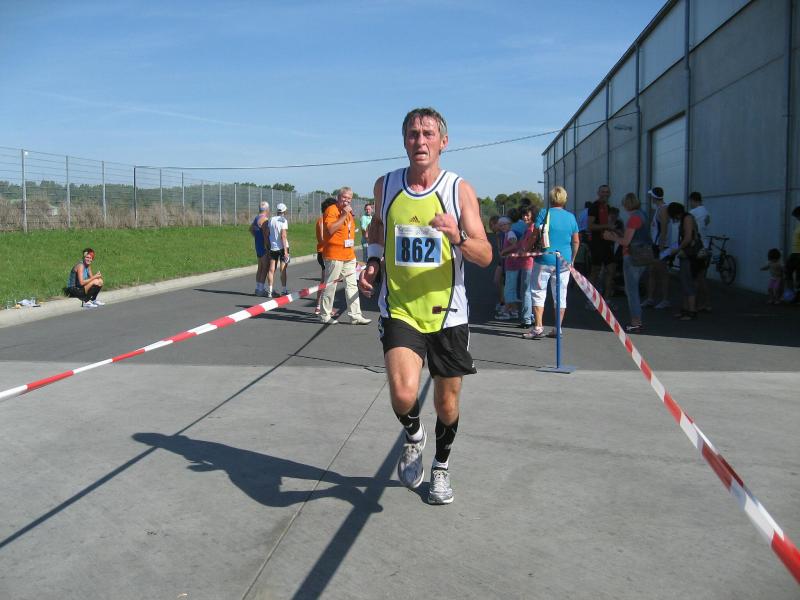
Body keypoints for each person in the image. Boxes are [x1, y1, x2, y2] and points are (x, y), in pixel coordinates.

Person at [358, 107, 492, 505]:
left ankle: (441, 467)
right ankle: (414, 435)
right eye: (413, 134)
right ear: (404, 141)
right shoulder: (385, 185)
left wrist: (457, 237)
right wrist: (373, 261)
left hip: (448, 315)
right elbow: (378, 230)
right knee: (403, 394)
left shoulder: (458, 190)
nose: (420, 141)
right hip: (400, 309)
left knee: (446, 404)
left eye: (428, 134)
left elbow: (485, 255)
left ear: (443, 142)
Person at [521, 186, 579, 339]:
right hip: (564, 261)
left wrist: (526, 249)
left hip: (544, 259)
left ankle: (538, 327)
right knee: (560, 295)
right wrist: (572, 259)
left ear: (551, 198)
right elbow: (575, 241)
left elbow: (535, 235)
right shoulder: (571, 217)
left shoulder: (544, 213)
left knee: (538, 292)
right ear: (565, 199)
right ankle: (557, 328)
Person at [319, 187, 371, 325]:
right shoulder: (332, 210)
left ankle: (355, 315)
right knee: (331, 285)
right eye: (344, 197)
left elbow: (349, 232)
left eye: (349, 198)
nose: (347, 200)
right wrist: (343, 215)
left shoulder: (349, 213)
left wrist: (352, 254)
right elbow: (330, 229)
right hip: (334, 254)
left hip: (348, 255)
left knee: (352, 285)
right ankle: (325, 314)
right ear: (338, 197)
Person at [603, 193, 651, 333]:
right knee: (634, 288)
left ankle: (636, 322)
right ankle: (636, 320)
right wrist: (618, 235)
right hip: (644, 254)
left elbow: (626, 242)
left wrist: (612, 238)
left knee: (631, 291)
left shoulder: (633, 218)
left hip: (632, 256)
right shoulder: (643, 215)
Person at [666, 202, 703, 320]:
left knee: (688, 282)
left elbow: (688, 238)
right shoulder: (685, 218)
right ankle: (685, 310)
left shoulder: (687, 218)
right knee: (684, 282)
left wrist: (677, 249)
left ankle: (691, 311)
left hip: (690, 254)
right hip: (687, 254)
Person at [587, 184, 618, 308]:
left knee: (611, 269)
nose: (605, 194)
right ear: (598, 193)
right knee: (595, 271)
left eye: (607, 192)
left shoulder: (608, 207)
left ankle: (607, 299)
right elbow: (590, 226)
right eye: (603, 192)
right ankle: (591, 300)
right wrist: (607, 226)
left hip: (607, 243)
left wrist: (614, 230)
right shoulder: (594, 207)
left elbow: (609, 224)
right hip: (597, 243)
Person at [641, 187, 671, 309]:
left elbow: (664, 229)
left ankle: (665, 299)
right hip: (655, 244)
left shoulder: (663, 209)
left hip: (660, 246)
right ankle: (650, 298)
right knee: (652, 271)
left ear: (654, 197)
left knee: (662, 273)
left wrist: (662, 247)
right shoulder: (659, 208)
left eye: (651, 197)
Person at [689, 191, 712, 311]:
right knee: (702, 277)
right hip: (706, 246)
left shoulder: (693, 213)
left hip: (697, 247)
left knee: (695, 278)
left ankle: (696, 304)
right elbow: (707, 223)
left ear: (693, 200)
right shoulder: (706, 211)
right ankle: (706, 303)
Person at [314, 198, 337, 315]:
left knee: (327, 280)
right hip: (324, 252)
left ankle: (321, 306)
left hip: (328, 252)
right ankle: (321, 306)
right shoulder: (322, 220)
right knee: (327, 281)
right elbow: (323, 238)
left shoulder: (327, 219)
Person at [267, 202, 290, 297]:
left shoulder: (271, 219)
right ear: (284, 211)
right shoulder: (283, 220)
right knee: (283, 269)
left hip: (273, 247)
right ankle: (284, 290)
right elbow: (283, 236)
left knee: (271, 269)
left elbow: (268, 233)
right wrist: (285, 251)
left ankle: (270, 291)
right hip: (282, 247)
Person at [250, 201, 270, 296]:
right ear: (267, 209)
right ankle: (261, 289)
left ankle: (258, 288)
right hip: (263, 246)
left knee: (260, 267)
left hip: (257, 245)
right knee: (265, 267)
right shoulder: (265, 219)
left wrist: (257, 236)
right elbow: (266, 235)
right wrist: (267, 245)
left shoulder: (256, 218)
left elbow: (251, 229)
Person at [784, 206, 800, 302]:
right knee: (788, 271)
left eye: (797, 216)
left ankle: (796, 296)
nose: (796, 218)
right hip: (795, 253)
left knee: (798, 276)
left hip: (799, 254)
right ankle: (792, 295)